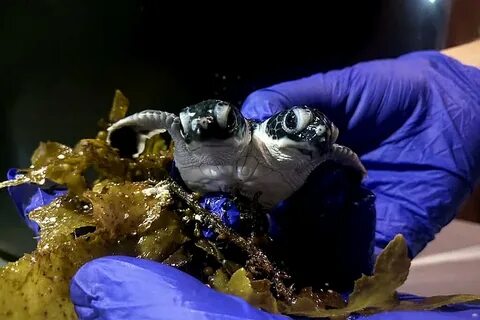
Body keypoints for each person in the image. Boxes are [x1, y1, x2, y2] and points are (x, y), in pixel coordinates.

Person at [10, 39, 480, 319]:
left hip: (276, 209)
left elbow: (339, 155)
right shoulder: (196, 128)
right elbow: (165, 122)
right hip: (202, 191)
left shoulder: (303, 145)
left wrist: (458, 98)